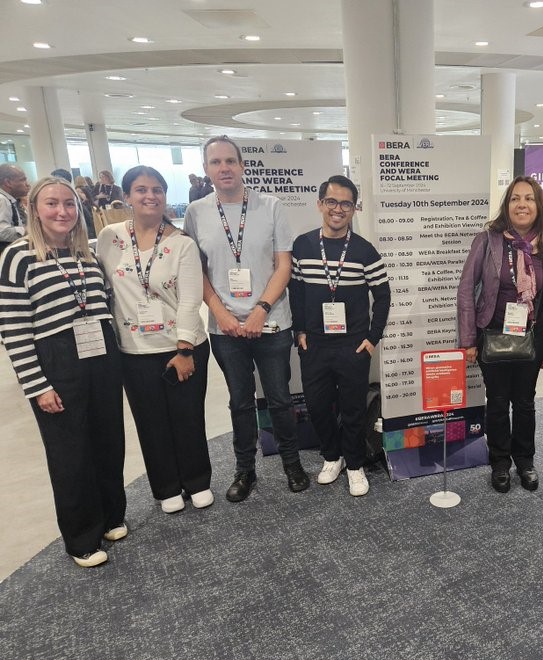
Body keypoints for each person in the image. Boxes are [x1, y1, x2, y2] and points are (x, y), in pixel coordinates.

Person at [0, 177, 126, 567]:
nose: (62, 212)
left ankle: (109, 517)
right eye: (52, 204)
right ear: (34, 209)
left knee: (108, 442)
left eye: (69, 204)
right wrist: (37, 385)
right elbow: (14, 328)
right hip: (57, 360)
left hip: (102, 355)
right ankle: (81, 538)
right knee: (70, 453)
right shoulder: (18, 256)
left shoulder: (85, 254)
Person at [184, 135, 310, 502]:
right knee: (239, 402)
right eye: (215, 163)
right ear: (207, 170)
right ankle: (245, 470)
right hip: (225, 328)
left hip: (270, 323)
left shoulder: (270, 206)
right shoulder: (197, 212)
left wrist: (261, 309)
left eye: (230, 161)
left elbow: (283, 264)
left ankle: (291, 463)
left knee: (280, 398)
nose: (224, 168)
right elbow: (198, 271)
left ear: (242, 165)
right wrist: (220, 313)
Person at [97, 165, 213, 515]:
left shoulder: (181, 244)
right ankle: (165, 486)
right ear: (128, 196)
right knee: (150, 423)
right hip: (132, 350)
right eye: (141, 190)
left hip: (182, 346)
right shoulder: (110, 237)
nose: (150, 196)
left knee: (187, 417)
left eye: (157, 190)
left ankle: (197, 481)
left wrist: (184, 349)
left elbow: (192, 300)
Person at [289, 175, 391, 497]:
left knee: (352, 409)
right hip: (315, 345)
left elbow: (384, 296)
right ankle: (332, 457)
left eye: (345, 203)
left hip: (352, 346)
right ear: (320, 204)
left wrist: (372, 338)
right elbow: (296, 291)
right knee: (318, 407)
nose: (338, 209)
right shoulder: (303, 246)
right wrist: (300, 332)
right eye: (331, 201)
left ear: (353, 208)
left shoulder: (364, 250)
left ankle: (355, 464)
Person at [457, 176, 543, 493]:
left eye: (529, 198)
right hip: (493, 334)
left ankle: (525, 461)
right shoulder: (488, 240)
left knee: (525, 403)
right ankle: (500, 462)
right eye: (515, 198)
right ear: (507, 204)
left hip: (531, 338)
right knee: (498, 402)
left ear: (538, 205)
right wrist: (468, 340)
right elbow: (465, 289)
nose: (522, 204)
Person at [0, 163, 30, 249]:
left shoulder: (10, 200)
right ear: (8, 182)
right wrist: (29, 230)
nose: (27, 184)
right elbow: (2, 232)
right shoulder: (2, 200)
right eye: (23, 180)